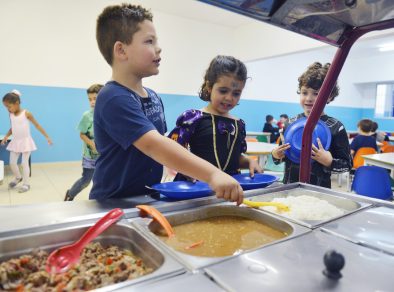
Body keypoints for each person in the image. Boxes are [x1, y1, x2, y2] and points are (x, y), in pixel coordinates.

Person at [90, 4, 243, 204]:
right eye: (149, 41)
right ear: (121, 50)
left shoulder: (153, 96)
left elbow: (164, 142)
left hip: (147, 197)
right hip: (113, 202)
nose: (158, 48)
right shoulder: (113, 97)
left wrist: (186, 167)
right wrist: (213, 174)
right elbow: (153, 145)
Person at [168, 55, 262, 181]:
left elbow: (234, 158)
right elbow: (172, 150)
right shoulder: (194, 118)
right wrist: (186, 170)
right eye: (223, 91)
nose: (229, 98)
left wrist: (248, 162)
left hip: (230, 187)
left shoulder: (239, 125)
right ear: (209, 87)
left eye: (236, 93)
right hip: (197, 186)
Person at [271, 62, 352, 188]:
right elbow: (281, 157)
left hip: (321, 192)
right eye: (304, 92)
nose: (309, 98)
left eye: (316, 93)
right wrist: (276, 155)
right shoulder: (291, 124)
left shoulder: (336, 127)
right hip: (290, 187)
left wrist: (329, 161)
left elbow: (347, 165)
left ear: (329, 96)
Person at [1, 90, 52, 192]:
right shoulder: (11, 114)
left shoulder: (26, 113)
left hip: (25, 142)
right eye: (6, 107)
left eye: (9, 106)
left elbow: (37, 125)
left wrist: (47, 136)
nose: (8, 109)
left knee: (24, 164)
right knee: (12, 163)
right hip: (15, 141)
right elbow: (13, 128)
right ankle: (18, 177)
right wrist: (6, 136)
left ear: (17, 103)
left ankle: (26, 183)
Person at [64, 84, 103, 201]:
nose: (92, 102)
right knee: (86, 181)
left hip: (104, 156)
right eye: (90, 99)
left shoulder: (108, 115)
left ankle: (99, 201)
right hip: (90, 156)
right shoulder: (87, 116)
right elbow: (82, 134)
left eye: (95, 98)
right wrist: (93, 145)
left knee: (102, 180)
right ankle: (70, 194)